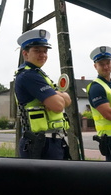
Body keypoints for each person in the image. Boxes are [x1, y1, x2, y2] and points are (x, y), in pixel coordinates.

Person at [14, 29, 71, 160]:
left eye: (45, 51)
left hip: (50, 141)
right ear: (25, 53)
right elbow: (58, 105)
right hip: (40, 143)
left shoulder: (40, 75)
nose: (42, 55)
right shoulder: (29, 76)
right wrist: (58, 96)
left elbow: (68, 100)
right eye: (37, 51)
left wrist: (56, 94)